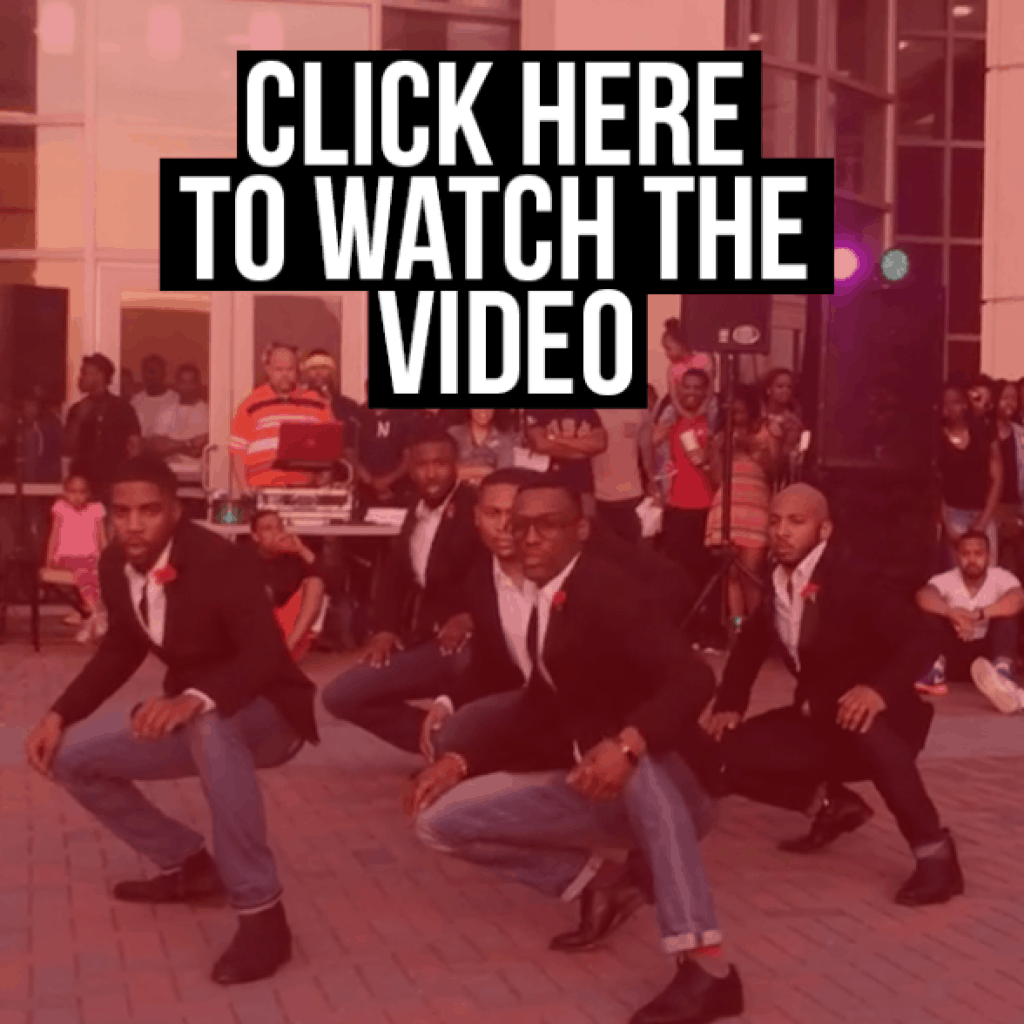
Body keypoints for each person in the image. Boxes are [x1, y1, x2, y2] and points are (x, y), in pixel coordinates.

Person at [408, 479, 743, 1024]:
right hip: (596, 784)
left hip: (679, 789)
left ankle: (707, 969)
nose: (528, 538)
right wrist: (460, 760)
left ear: (581, 530)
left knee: (636, 767)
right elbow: (541, 705)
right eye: (519, 525)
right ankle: (603, 885)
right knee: (437, 822)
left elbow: (694, 677)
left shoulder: (608, 592)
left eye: (546, 526)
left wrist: (628, 744)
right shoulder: (546, 601)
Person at [24, 457, 318, 985]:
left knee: (210, 723)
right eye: (122, 513)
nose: (134, 525)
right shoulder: (115, 563)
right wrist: (57, 713)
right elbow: (121, 648)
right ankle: (189, 865)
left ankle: (263, 916)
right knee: (69, 758)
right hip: (198, 717)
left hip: (271, 714)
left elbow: (266, 655)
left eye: (149, 511)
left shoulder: (221, 560)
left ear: (175, 512)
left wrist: (195, 699)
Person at [701, 485, 963, 907]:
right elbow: (750, 645)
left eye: (796, 522)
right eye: (775, 521)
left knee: (866, 724)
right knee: (713, 751)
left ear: (823, 530)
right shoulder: (774, 580)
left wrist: (878, 691)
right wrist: (729, 704)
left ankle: (937, 858)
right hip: (820, 723)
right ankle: (829, 806)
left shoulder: (855, 579)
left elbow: (925, 637)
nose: (782, 532)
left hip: (884, 723)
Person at [321, 427, 482, 752]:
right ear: (410, 468)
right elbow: (393, 577)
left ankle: (470, 750)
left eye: (441, 464)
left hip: (477, 647)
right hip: (429, 644)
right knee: (341, 695)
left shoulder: (477, 510)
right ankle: (441, 746)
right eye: (422, 465)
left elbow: (497, 574)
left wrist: (472, 616)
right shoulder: (413, 509)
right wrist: (384, 629)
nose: (431, 474)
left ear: (456, 465)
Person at [915, 531, 1024, 712]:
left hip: (988, 656)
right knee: (931, 614)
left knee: (1007, 617)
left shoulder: (1001, 577)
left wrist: (978, 615)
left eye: (978, 553)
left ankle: (1001, 674)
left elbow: (1018, 599)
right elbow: (923, 596)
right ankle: (935, 670)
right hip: (954, 656)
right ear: (957, 556)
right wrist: (952, 614)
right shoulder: (946, 579)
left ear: (989, 555)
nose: (972, 559)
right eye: (966, 554)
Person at [704, 387, 777, 630]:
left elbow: (773, 470)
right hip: (728, 506)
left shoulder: (766, 432)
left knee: (751, 575)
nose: (735, 417)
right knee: (732, 576)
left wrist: (753, 446)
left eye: (740, 411)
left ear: (751, 410)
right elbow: (717, 481)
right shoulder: (720, 436)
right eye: (731, 412)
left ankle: (756, 632)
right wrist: (716, 451)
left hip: (756, 506)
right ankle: (737, 627)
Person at [228, 343, 333, 494]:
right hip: (262, 491)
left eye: (290, 369)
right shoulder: (251, 404)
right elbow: (237, 449)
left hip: (305, 492)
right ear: (268, 369)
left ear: (297, 370)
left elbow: (329, 445)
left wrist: (324, 482)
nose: (284, 374)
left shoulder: (317, 403)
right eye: (278, 369)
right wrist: (244, 490)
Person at [248, 510, 327, 661]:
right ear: (255, 536)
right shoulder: (244, 558)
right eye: (268, 529)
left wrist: (302, 550)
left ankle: (286, 652)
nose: (276, 533)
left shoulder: (295, 556)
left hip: (290, 634)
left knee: (315, 583)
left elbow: (332, 584)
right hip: (256, 631)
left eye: (279, 527)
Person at [660, 370, 716, 574]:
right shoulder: (669, 420)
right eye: (687, 386)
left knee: (703, 569)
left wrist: (708, 453)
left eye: (697, 387)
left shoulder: (713, 421)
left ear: (706, 392)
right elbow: (655, 456)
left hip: (708, 506)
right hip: (676, 505)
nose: (692, 392)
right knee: (676, 569)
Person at [938, 383, 1001, 562]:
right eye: (944, 404)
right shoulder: (937, 439)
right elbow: (936, 486)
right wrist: (948, 527)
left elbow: (997, 478)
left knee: (987, 570)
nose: (949, 408)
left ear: (965, 404)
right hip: (953, 514)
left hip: (983, 512)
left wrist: (983, 521)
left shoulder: (984, 432)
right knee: (958, 572)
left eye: (955, 402)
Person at [64, 354, 142, 496]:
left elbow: (134, 447)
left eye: (85, 373)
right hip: (84, 486)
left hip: (115, 482)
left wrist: (131, 480)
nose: (81, 378)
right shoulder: (77, 409)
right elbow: (68, 448)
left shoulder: (122, 408)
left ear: (99, 376)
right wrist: (78, 420)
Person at [43, 474, 108, 643]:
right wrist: (49, 556)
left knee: (91, 574)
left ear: (89, 493)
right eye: (72, 492)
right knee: (84, 572)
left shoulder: (96, 509)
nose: (77, 496)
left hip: (90, 556)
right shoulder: (61, 508)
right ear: (65, 492)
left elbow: (102, 536)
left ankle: (90, 617)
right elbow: (54, 534)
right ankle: (95, 616)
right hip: (66, 556)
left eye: (82, 492)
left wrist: (106, 556)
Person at [523, 408, 608, 505]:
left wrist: (553, 438)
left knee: (587, 513)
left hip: (583, 483)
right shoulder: (536, 410)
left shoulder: (587, 411)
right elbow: (541, 444)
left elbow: (600, 444)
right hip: (546, 484)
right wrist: (583, 451)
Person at [148, 363, 210, 486]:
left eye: (191, 382)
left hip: (200, 476)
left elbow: (202, 448)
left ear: (198, 384)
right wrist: (189, 444)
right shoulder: (166, 411)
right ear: (176, 384)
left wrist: (172, 444)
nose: (187, 386)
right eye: (183, 382)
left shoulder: (209, 412)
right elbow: (157, 445)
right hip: (168, 475)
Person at [592, 406, 646, 544]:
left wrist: (653, 483)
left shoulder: (639, 411)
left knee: (632, 548)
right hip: (596, 496)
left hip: (632, 494)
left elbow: (647, 447)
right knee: (603, 550)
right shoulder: (589, 412)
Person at [300, 349, 361, 468]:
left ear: (332, 371)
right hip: (304, 465)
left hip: (338, 467)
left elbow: (351, 444)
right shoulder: (298, 403)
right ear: (306, 373)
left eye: (324, 367)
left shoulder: (348, 406)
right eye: (313, 368)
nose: (318, 372)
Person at [991, 380, 1024, 576]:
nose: (1010, 403)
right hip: (987, 509)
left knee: (1011, 571)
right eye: (1005, 397)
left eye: (1014, 398)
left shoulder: (1021, 435)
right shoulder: (983, 432)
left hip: (1014, 509)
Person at [447, 409, 516, 487]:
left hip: (489, 492)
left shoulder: (504, 439)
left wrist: (464, 473)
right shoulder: (453, 434)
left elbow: (504, 477)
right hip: (457, 491)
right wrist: (486, 471)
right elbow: (447, 472)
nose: (483, 410)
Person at [761, 368, 803, 483]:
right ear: (768, 390)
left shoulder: (793, 423)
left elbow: (785, 456)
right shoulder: (756, 415)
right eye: (780, 386)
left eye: (789, 387)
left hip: (774, 475)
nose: (785, 390)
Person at [131, 354, 180, 438]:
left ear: (164, 374)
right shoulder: (135, 401)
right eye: (148, 371)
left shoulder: (177, 399)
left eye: (155, 371)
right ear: (142, 374)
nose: (151, 375)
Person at [20, 395, 63, 483]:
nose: (27, 410)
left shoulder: (50, 427)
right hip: (24, 479)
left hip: (46, 479)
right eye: (25, 407)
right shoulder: (19, 429)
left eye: (31, 406)